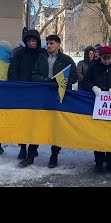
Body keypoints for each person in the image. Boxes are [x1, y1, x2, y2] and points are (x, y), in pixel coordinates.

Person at [25, 34, 78, 168]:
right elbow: (34, 74)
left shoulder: (66, 60)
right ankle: (30, 155)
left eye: (52, 43)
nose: (49, 46)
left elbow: (74, 76)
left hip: (58, 96)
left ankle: (54, 156)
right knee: (37, 125)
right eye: (47, 43)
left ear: (59, 44)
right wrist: (46, 81)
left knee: (56, 127)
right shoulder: (41, 58)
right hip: (42, 95)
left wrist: (61, 83)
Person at [82, 46, 111, 173]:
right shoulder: (93, 67)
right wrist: (93, 88)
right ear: (100, 57)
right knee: (98, 135)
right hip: (97, 105)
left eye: (109, 58)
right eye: (104, 59)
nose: (107, 61)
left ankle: (110, 162)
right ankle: (98, 162)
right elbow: (84, 82)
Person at [8, 29, 48, 161]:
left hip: (38, 93)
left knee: (35, 123)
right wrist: (15, 87)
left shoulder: (42, 55)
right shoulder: (19, 54)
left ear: (37, 41)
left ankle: (33, 148)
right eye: (29, 40)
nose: (32, 43)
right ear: (26, 42)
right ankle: (23, 147)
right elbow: (12, 72)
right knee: (23, 123)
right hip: (22, 92)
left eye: (34, 40)